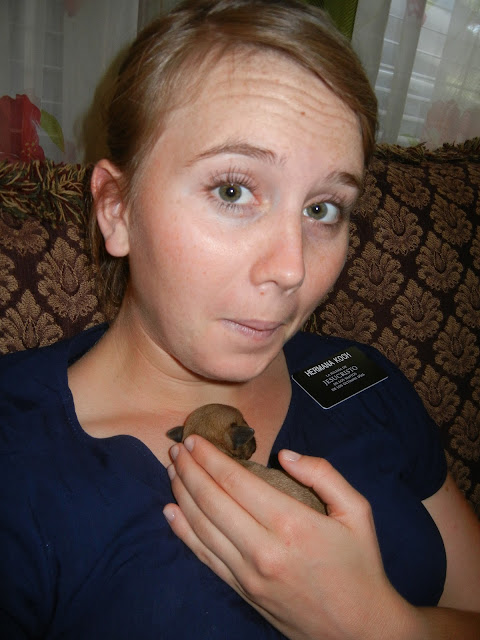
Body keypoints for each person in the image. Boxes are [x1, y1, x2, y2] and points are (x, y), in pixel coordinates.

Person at [1, 0, 479, 638]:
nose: (292, 269)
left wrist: (379, 626)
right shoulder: (16, 459)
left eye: (323, 209)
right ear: (116, 209)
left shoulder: (362, 378)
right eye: (233, 190)